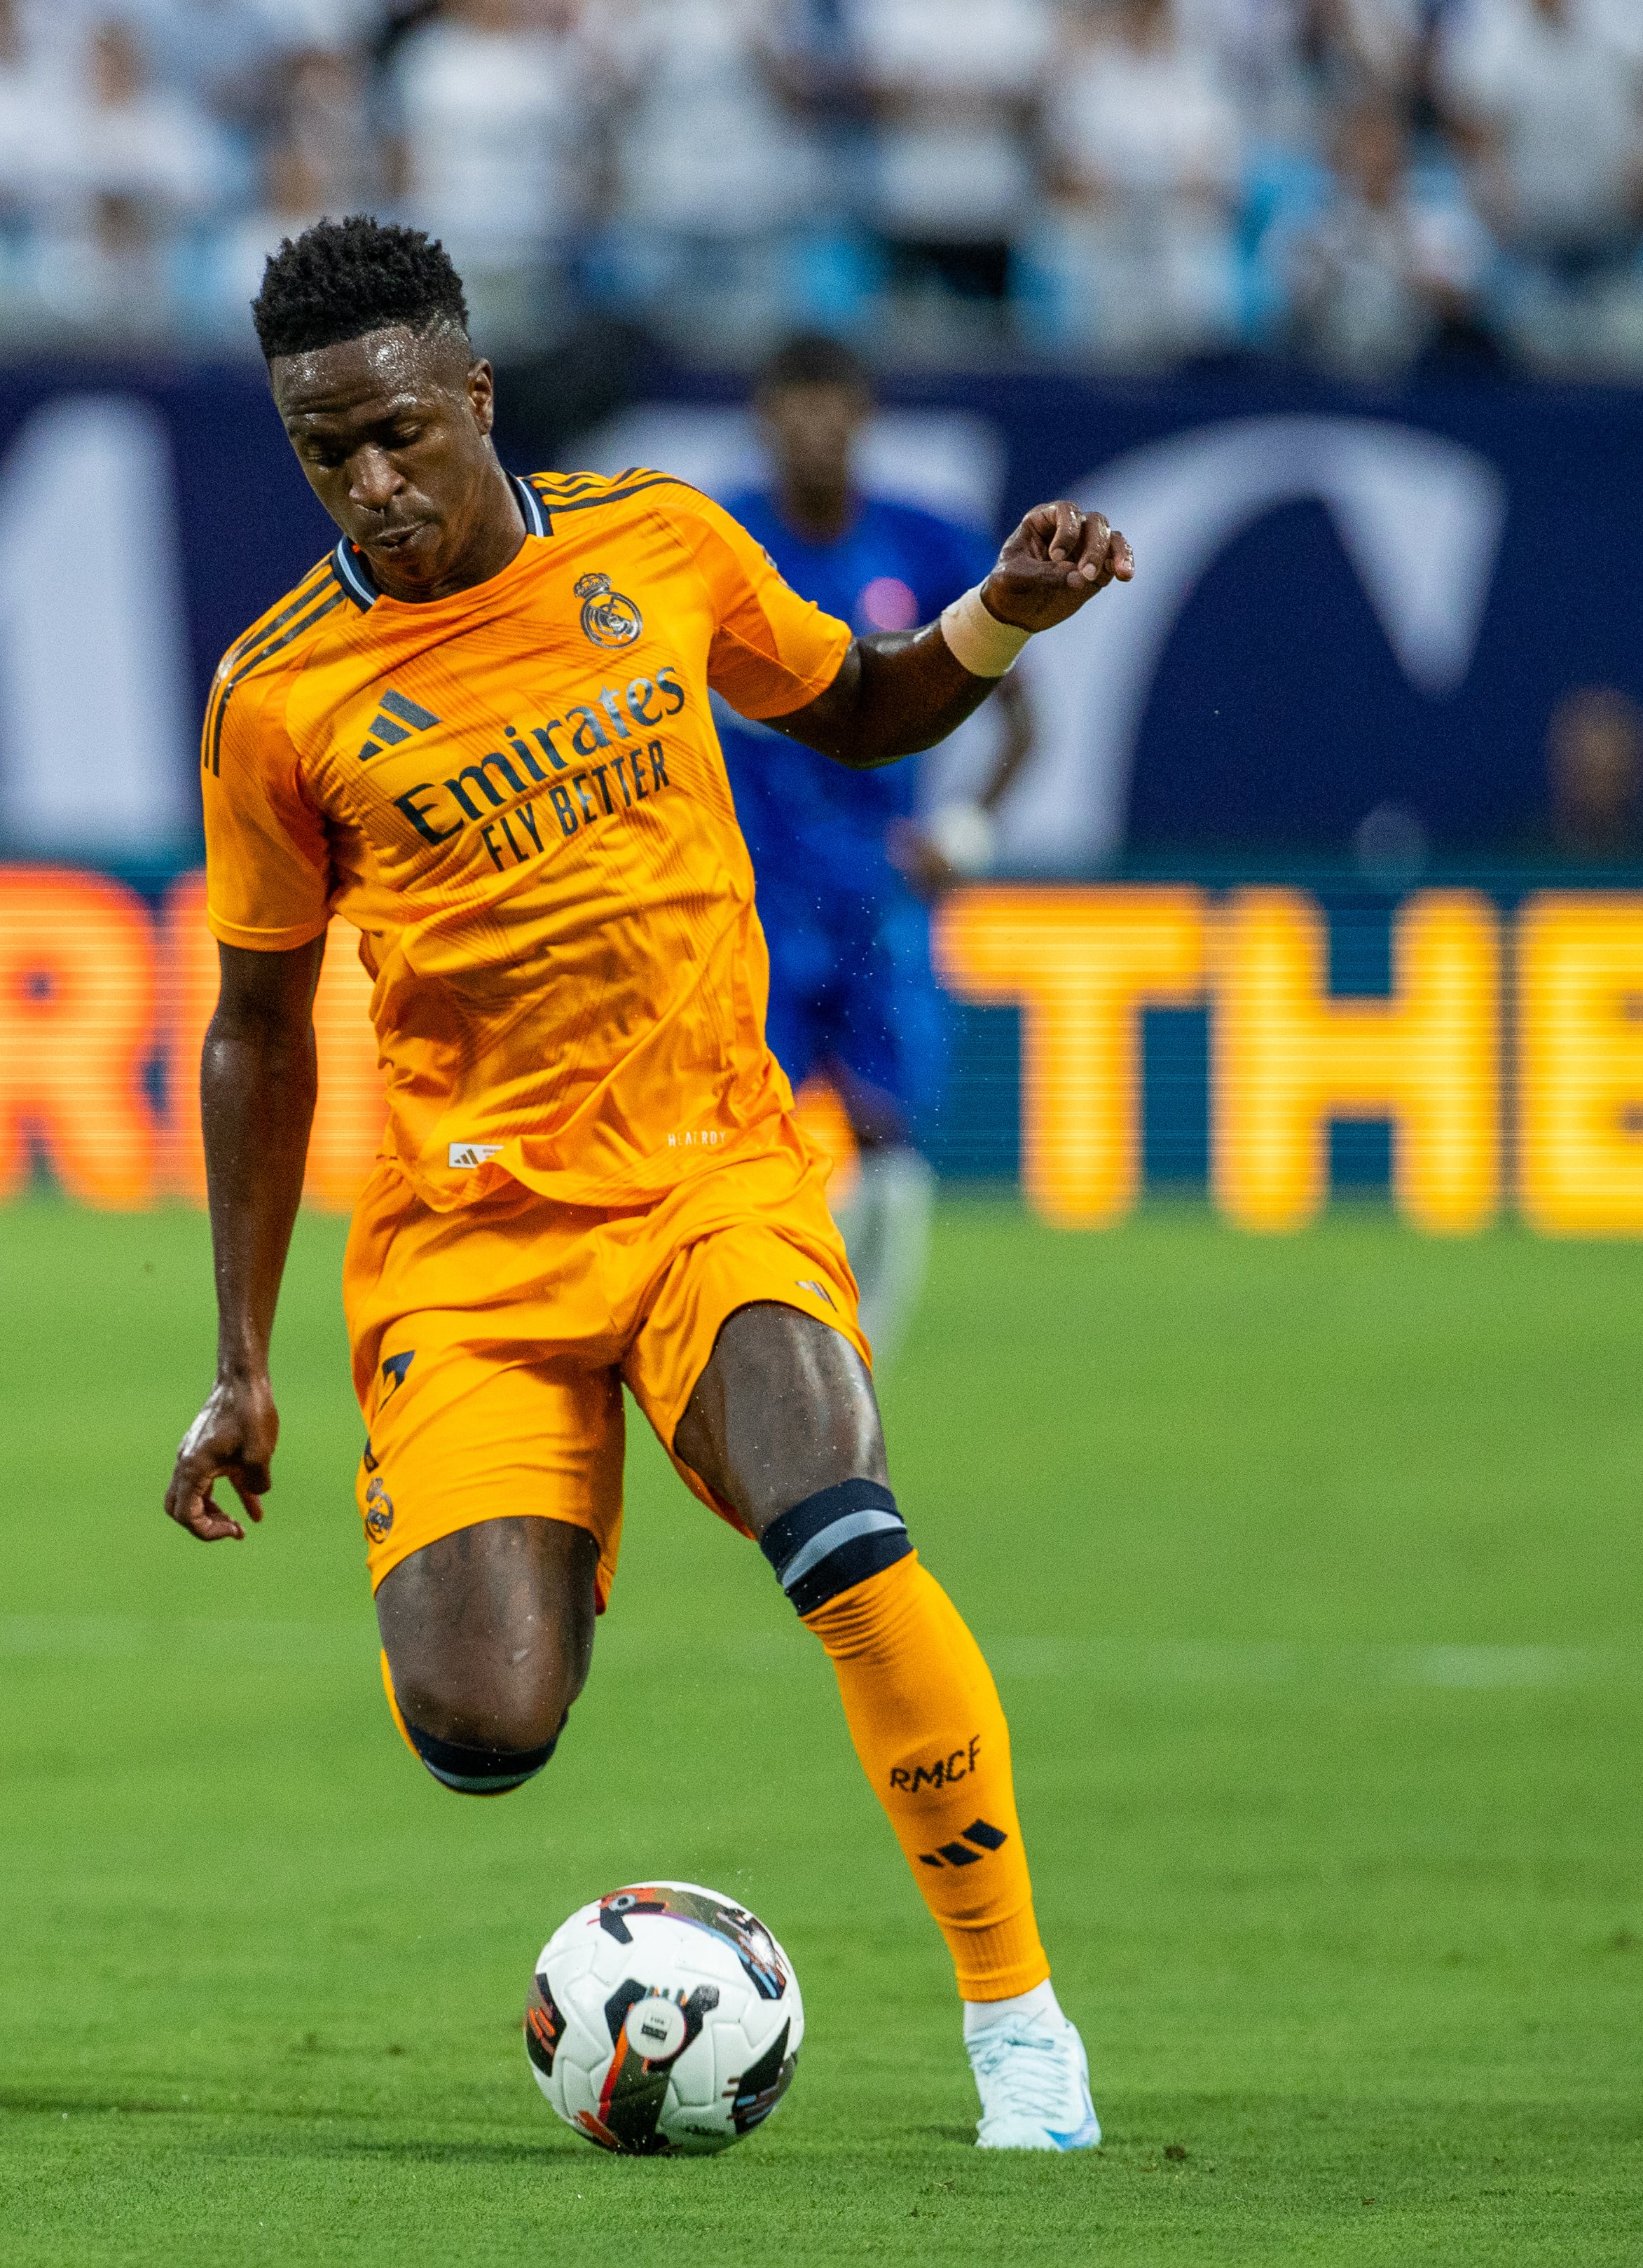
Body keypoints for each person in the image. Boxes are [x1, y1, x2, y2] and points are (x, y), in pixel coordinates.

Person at [165, 217, 1129, 2150]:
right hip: (467, 1247)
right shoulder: (278, 694)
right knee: (484, 1727)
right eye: (322, 451)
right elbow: (257, 1032)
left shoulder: (659, 543)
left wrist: (1003, 618)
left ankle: (1020, 2019)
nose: (371, 482)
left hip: (714, 1176)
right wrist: (243, 1357)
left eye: (399, 435)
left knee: (842, 1528)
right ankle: (550, 1499)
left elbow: (857, 706)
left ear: (477, 400)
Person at [722, 332, 1033, 1369]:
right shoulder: (714, 542)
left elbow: (1023, 717)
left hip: (875, 895)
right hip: (748, 898)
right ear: (764, 419)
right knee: (733, 1136)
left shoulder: (927, 543)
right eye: (793, 406)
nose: (814, 428)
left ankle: (865, 1359)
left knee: (889, 1136)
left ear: (864, 417)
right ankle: (744, 1333)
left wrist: (964, 832)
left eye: (832, 406)